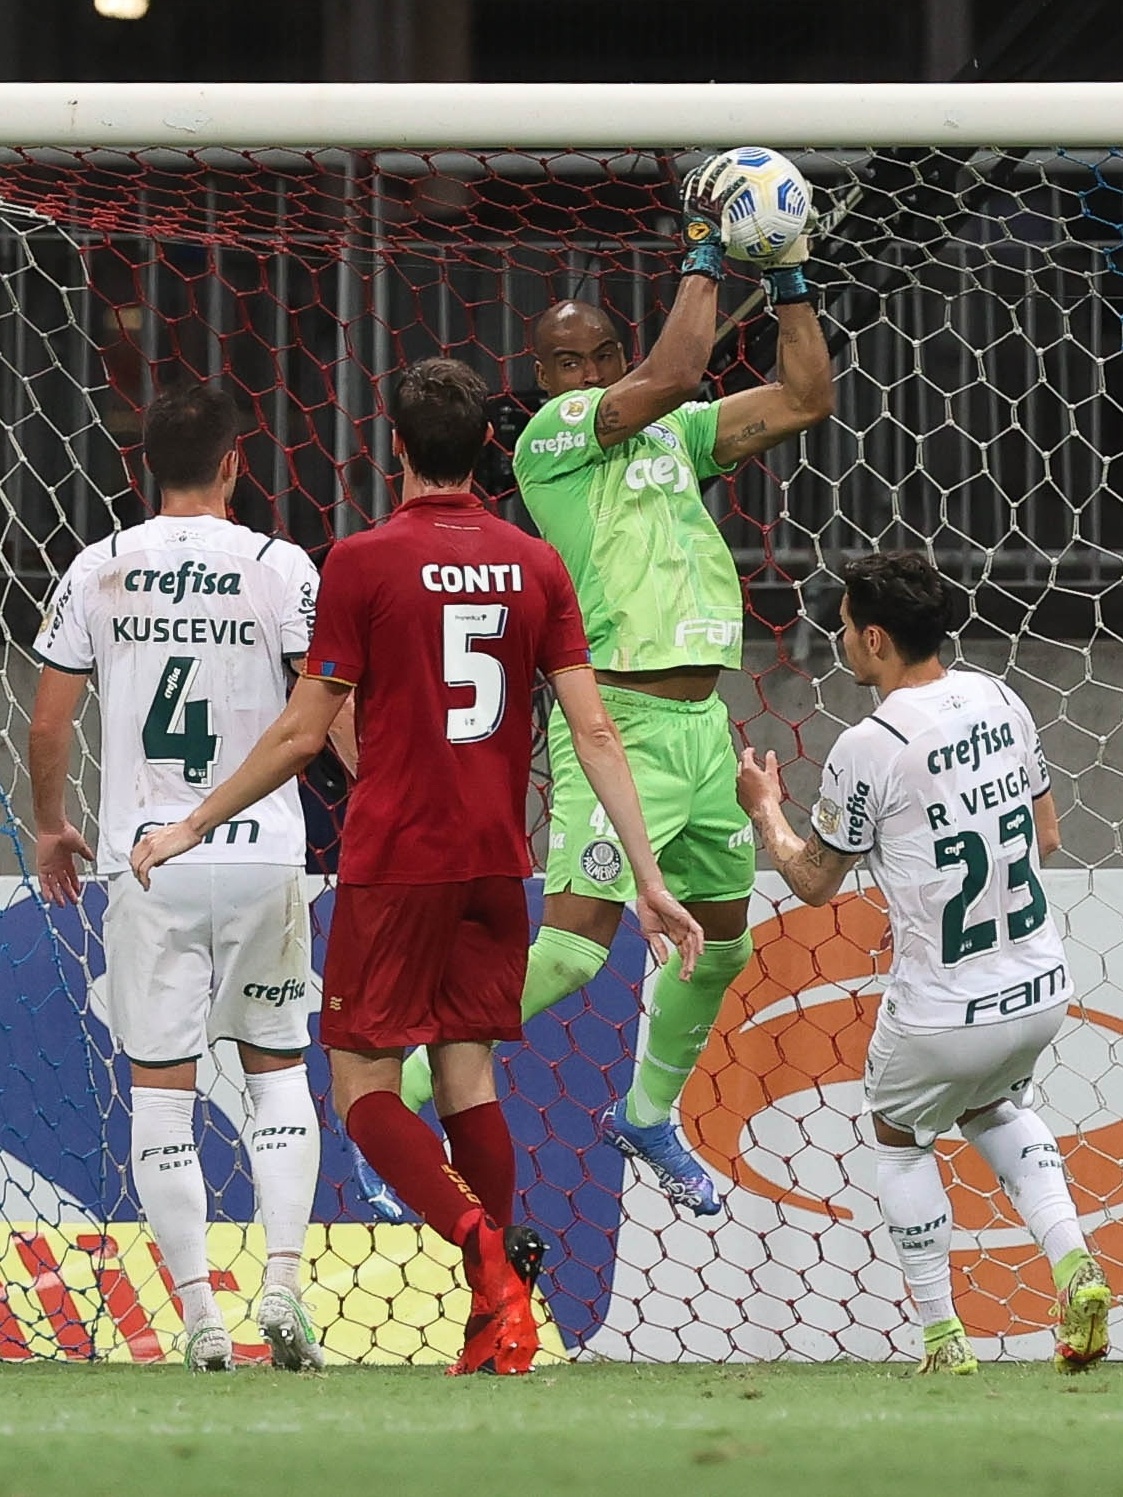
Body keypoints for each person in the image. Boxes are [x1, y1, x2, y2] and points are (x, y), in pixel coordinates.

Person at [129, 357, 703, 1377]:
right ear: (489, 446)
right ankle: (505, 1320)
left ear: (395, 447)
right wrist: (649, 876)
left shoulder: (361, 560)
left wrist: (189, 823)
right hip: (495, 862)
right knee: (467, 1075)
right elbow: (597, 733)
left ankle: (483, 1250)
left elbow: (306, 732)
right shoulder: (536, 564)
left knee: (358, 1087)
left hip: (396, 861)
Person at [382, 151, 835, 1219]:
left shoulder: (678, 438)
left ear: (615, 354)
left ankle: (643, 1115)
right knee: (574, 954)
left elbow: (808, 394)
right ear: (542, 379)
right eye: (564, 362)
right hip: (618, 722)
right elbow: (675, 373)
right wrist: (707, 250)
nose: (582, 375)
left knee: (721, 942)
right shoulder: (551, 441)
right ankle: (398, 1108)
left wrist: (793, 275)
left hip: (699, 727)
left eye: (598, 359)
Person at [736, 550, 1110, 1374]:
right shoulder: (1000, 696)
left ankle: (942, 1338)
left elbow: (810, 881)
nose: (838, 642)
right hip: (1040, 985)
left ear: (874, 638)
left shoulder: (867, 744)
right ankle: (1074, 1263)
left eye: (841, 629)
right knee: (995, 1106)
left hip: (944, 1007)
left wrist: (766, 811)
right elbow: (1046, 836)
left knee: (898, 1135)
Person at [30, 384, 325, 1373]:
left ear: (141, 465)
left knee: (161, 1092)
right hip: (261, 854)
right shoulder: (280, 566)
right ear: (238, 462)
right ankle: (281, 1288)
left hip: (146, 860)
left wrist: (51, 826)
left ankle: (200, 1318)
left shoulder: (98, 566)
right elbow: (328, 711)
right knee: (278, 1070)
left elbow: (48, 720)